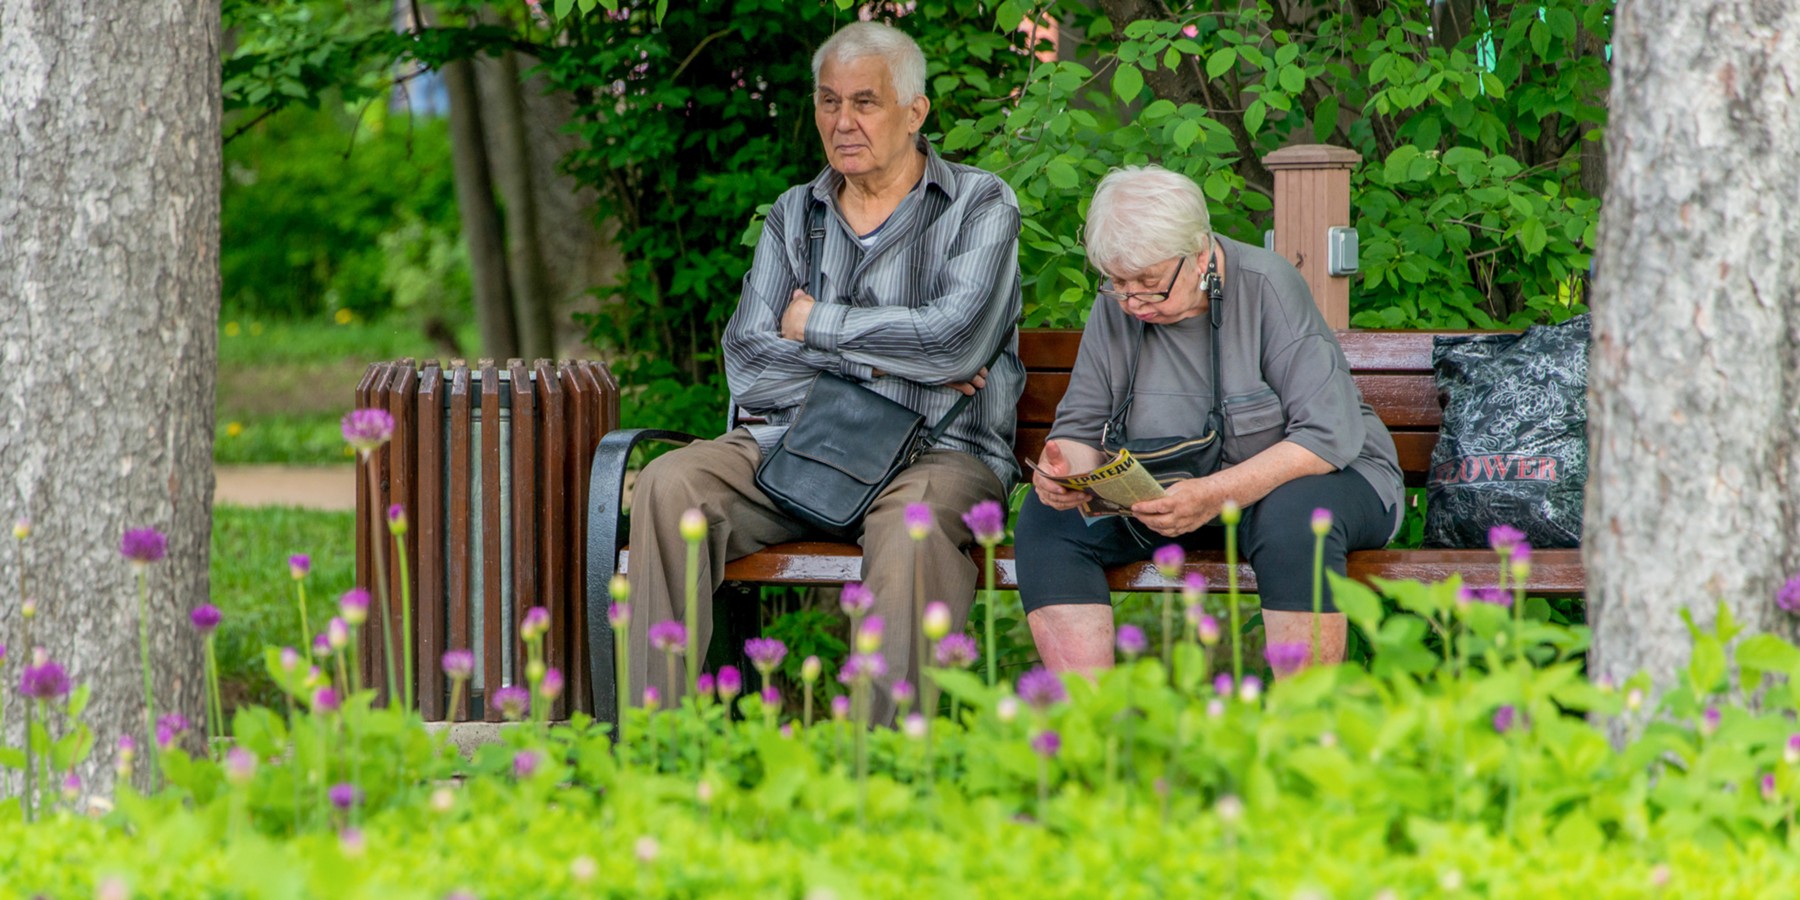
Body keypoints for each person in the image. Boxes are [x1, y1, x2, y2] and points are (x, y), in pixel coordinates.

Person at [625, 22, 1022, 721]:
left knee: (916, 523)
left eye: (865, 102)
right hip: (800, 449)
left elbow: (955, 342)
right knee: (670, 481)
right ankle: (660, 743)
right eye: (828, 102)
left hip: (936, 455)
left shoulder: (978, 205)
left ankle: (885, 768)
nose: (843, 122)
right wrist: (904, 364)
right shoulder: (791, 215)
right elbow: (749, 364)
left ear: (914, 111)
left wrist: (815, 325)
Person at [1014, 165, 1402, 672]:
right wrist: (1067, 468)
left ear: (1199, 253)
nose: (1131, 301)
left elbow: (1325, 437)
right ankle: (1087, 728)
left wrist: (1215, 494)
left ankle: (1306, 731)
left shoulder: (1267, 285)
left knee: (1297, 518)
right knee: (1048, 521)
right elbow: (1082, 426)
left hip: (1320, 481)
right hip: (1175, 498)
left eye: (1149, 283)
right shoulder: (1119, 305)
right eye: (1118, 283)